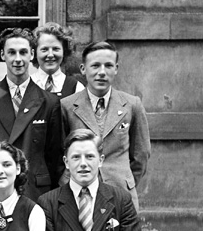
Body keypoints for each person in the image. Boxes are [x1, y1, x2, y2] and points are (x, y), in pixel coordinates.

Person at [0, 28, 64, 200]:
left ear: (32, 54)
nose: (18, 59)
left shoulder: (49, 101)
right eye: (11, 53)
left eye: (23, 52)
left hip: (34, 190)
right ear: (2, 55)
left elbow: (54, 155)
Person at [60, 41, 151, 211]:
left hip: (121, 194)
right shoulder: (67, 106)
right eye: (95, 66)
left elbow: (141, 154)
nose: (102, 72)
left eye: (108, 65)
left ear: (116, 69)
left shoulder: (132, 104)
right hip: (79, 193)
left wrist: (125, 181)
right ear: (83, 69)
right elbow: (60, 152)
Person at [30, 22, 85, 98]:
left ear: (64, 51)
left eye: (56, 49)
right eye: (44, 49)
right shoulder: (25, 86)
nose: (50, 55)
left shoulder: (76, 88)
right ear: (35, 53)